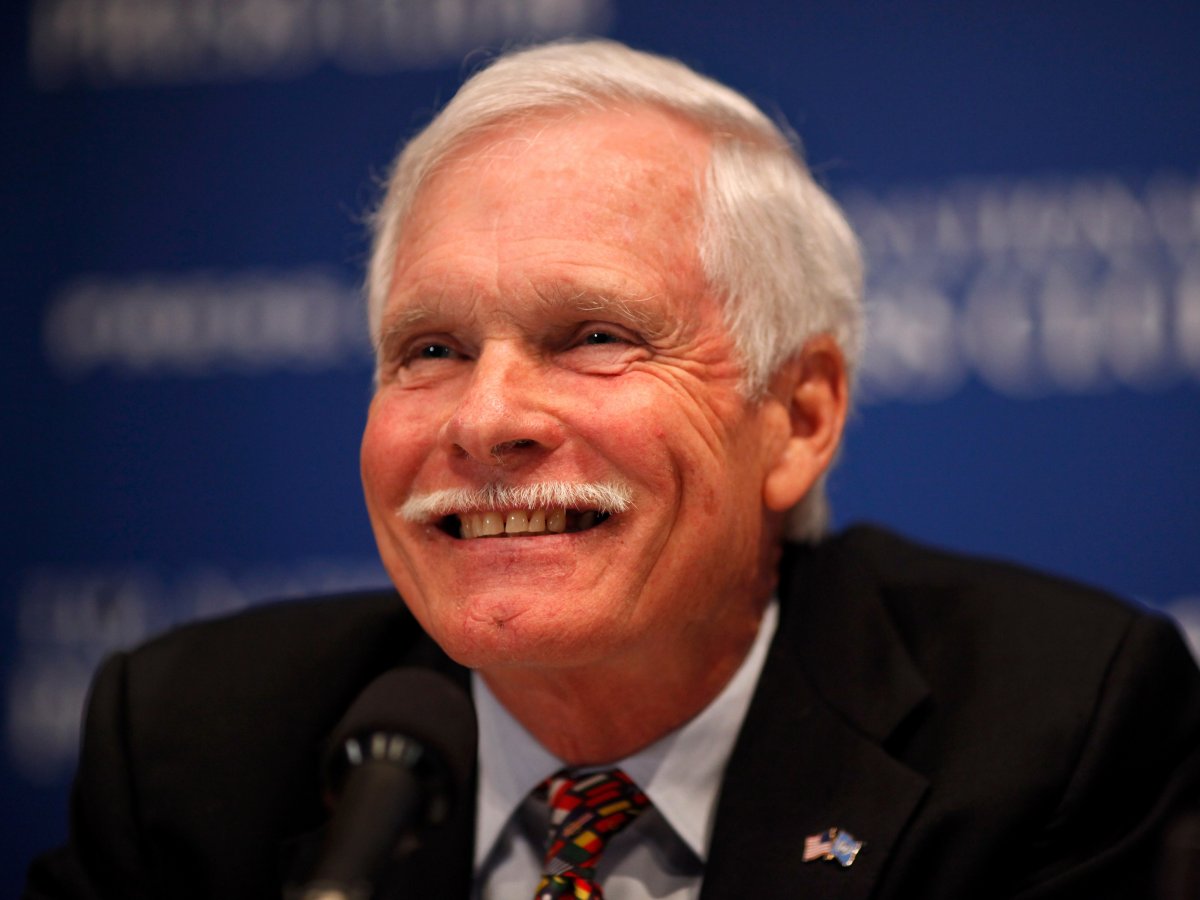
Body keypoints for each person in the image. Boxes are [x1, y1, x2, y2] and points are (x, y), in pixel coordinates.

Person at [25, 39, 1200, 900]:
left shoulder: (1049, 733)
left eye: (594, 337)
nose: (487, 419)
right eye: (430, 350)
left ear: (799, 418)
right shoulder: (191, 748)